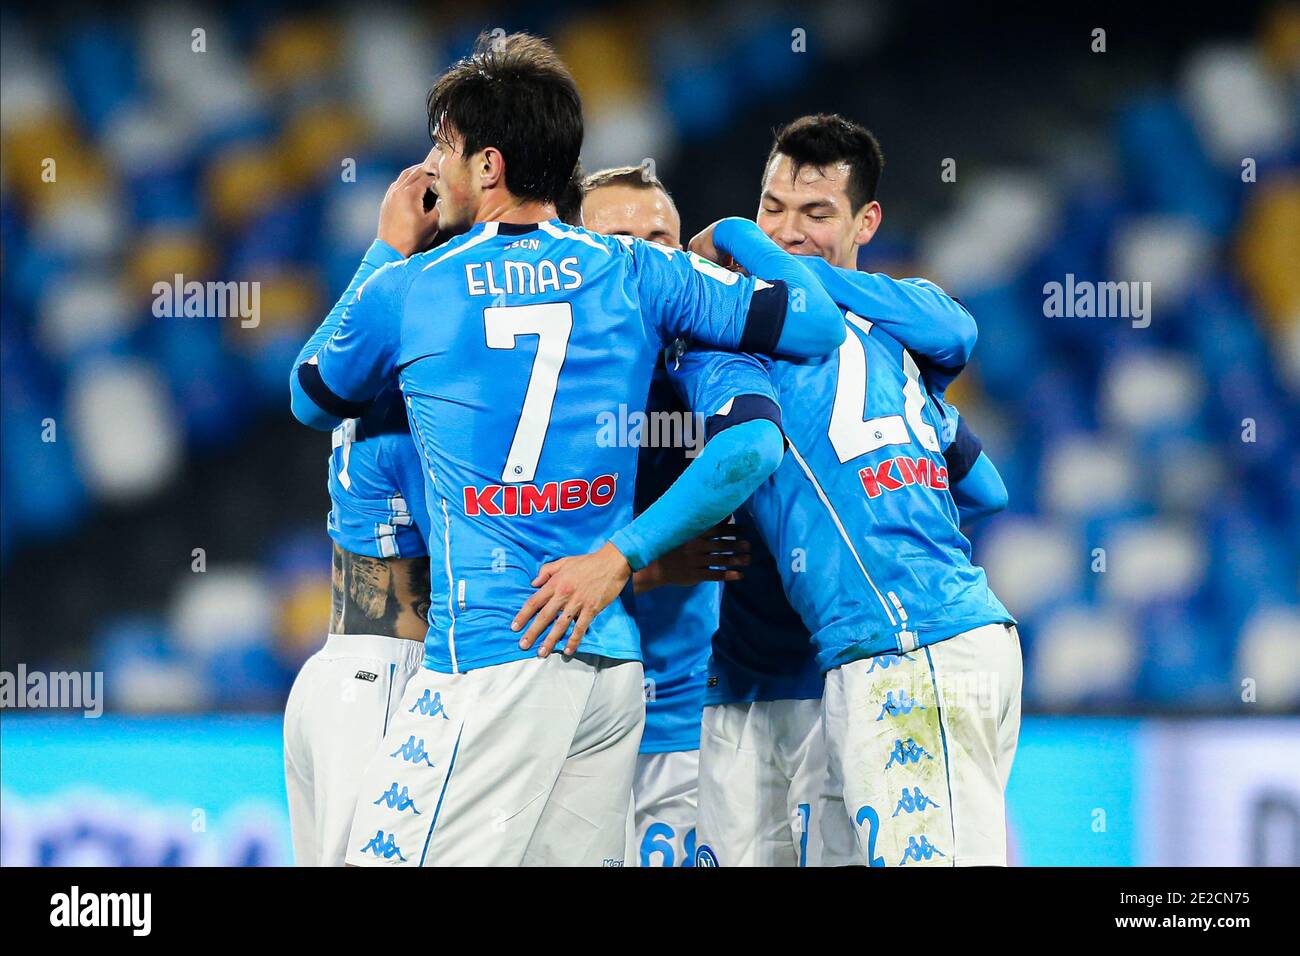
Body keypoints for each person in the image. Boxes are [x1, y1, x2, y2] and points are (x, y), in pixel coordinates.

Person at [288, 33, 846, 866]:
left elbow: (312, 391)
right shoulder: (636, 270)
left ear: (488, 166)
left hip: (494, 649)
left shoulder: (413, 287)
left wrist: (385, 247)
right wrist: (741, 236)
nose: (431, 167)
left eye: (443, 147)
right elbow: (812, 324)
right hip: (607, 660)